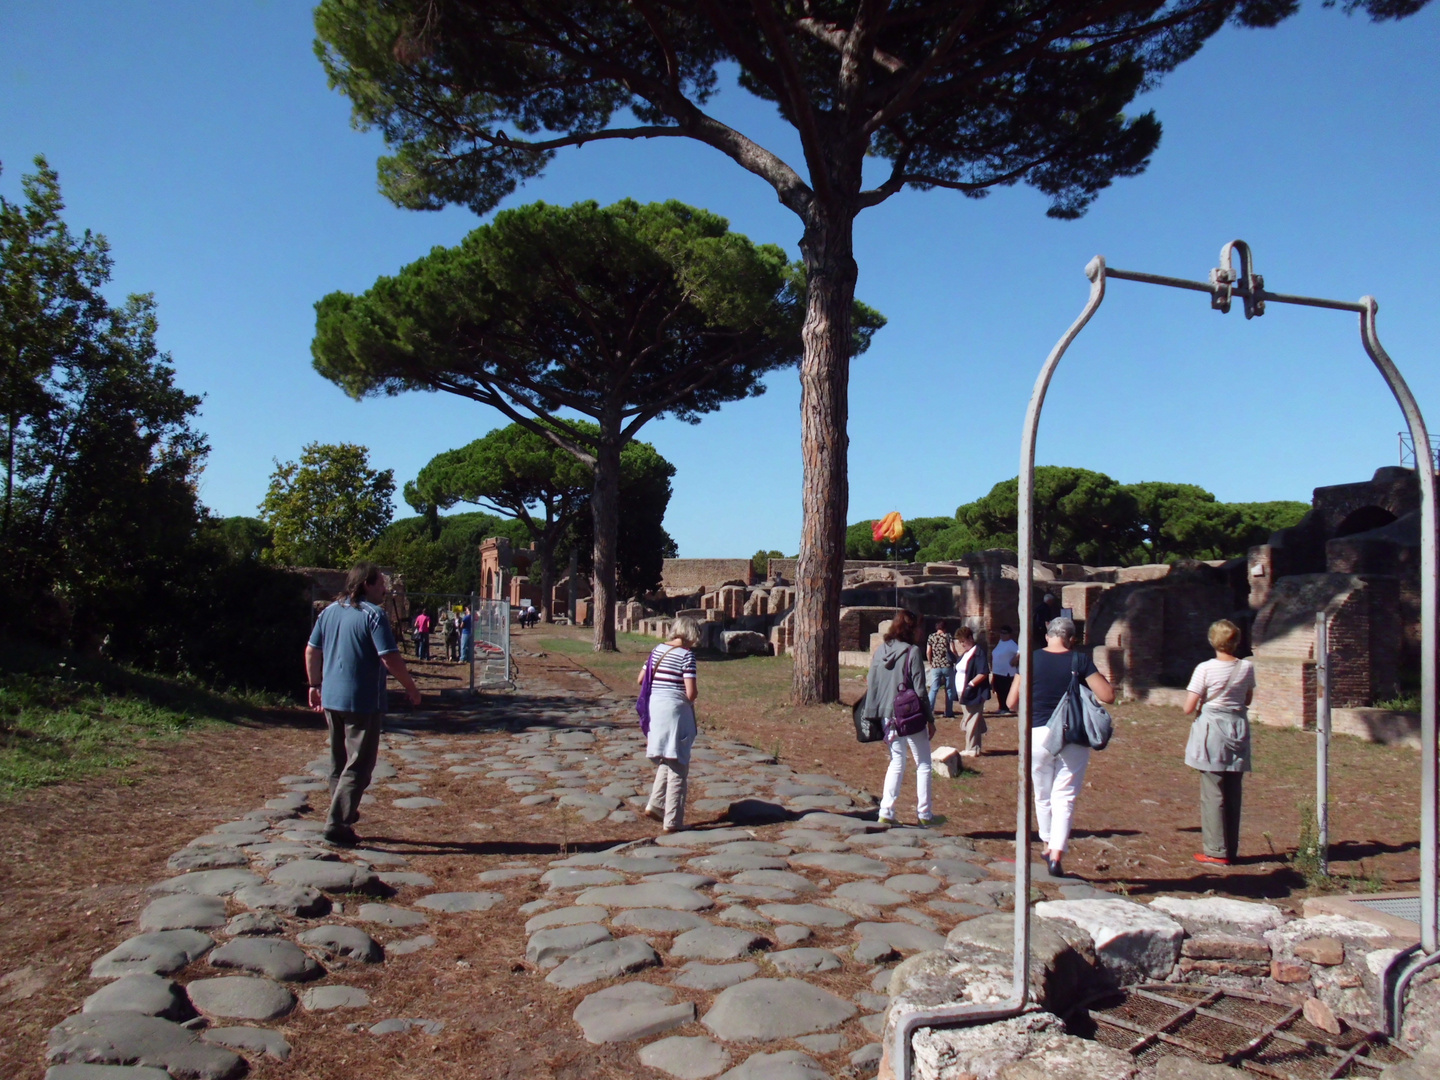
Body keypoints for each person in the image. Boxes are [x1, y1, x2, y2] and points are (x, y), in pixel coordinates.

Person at [305, 562, 422, 847]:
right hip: (362, 700)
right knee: (360, 764)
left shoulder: (328, 612)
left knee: (338, 762)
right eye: (381, 583)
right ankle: (337, 823)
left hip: (331, 698)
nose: (385, 589)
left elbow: (312, 650)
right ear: (367, 584)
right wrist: (410, 686)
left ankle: (345, 812)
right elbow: (388, 657)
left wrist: (314, 685)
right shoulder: (374, 614)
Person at [1007, 615, 1115, 878]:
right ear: (1072, 639)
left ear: (1048, 635)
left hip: (1038, 733)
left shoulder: (1030, 659)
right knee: (1064, 795)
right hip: (1072, 733)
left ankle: (1045, 843)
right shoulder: (1079, 660)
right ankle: (1056, 853)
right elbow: (1108, 696)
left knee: (1042, 793)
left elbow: (1011, 702)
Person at [1183, 619, 1255, 867]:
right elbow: (1248, 699)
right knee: (1234, 791)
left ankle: (1215, 849)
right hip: (1237, 727)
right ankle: (1231, 848)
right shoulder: (1246, 667)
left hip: (1213, 730)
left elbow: (1188, 706)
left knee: (1213, 791)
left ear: (1213, 640)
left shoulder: (1205, 669)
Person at [863, 609, 939, 828]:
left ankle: (886, 811)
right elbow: (920, 690)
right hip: (909, 714)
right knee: (923, 762)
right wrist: (930, 719)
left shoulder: (879, 652)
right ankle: (925, 814)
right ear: (912, 629)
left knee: (897, 762)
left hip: (887, 714)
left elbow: (871, 683)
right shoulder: (912, 652)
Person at [638, 615, 701, 833]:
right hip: (675, 711)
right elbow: (691, 692)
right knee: (679, 764)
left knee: (667, 755)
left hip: (655, 707)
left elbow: (640, 679)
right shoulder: (686, 656)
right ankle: (673, 820)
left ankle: (655, 805)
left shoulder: (656, 650)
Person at [954, 626, 991, 755]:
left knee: (970, 719)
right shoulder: (965, 654)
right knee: (972, 718)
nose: (962, 644)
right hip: (962, 691)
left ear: (970, 638)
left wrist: (971, 684)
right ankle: (976, 746)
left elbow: (983, 672)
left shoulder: (978, 652)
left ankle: (971, 748)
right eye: (960, 642)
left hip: (973, 691)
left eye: (964, 641)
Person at [925, 619, 956, 719]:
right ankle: (948, 711)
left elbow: (928, 651)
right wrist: (956, 658)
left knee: (934, 688)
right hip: (947, 665)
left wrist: (931, 662)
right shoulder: (948, 636)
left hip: (936, 665)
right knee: (949, 689)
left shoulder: (931, 637)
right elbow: (953, 650)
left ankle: (929, 710)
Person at [990, 625, 1018, 716]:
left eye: (1005, 633)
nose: (1002, 635)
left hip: (1007, 672)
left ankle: (1006, 708)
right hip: (997, 671)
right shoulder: (1000, 642)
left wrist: (1014, 660)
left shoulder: (1011, 643)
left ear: (1009, 634)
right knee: (998, 689)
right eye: (1001, 633)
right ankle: (1001, 707)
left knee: (1005, 690)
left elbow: (1020, 652)